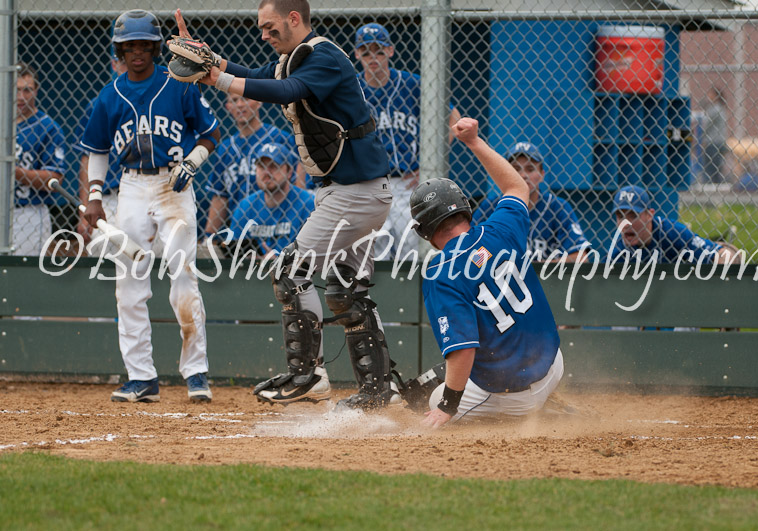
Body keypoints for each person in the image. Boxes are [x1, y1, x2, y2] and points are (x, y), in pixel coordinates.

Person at [172, 1, 396, 409]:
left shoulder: (323, 56)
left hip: (354, 192)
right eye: (261, 28)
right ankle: (378, 390)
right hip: (353, 191)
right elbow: (259, 75)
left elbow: (286, 91)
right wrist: (215, 62)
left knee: (290, 272)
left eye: (270, 26)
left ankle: (308, 374)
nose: (264, 34)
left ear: (295, 19)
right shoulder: (295, 58)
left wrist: (216, 78)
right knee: (347, 293)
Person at [79, 10, 220, 403]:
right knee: (129, 283)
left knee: (183, 277)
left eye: (144, 45)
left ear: (156, 48)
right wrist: (93, 197)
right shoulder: (109, 96)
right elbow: (97, 151)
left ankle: (196, 373)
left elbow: (210, 134)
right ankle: (141, 377)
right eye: (129, 46)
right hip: (132, 187)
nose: (137, 52)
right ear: (119, 51)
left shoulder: (180, 84)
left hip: (173, 183)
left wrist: (191, 163)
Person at [408, 117, 564, 428]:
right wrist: (474, 141)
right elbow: (516, 185)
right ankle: (546, 402)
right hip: (554, 365)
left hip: (513, 394)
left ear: (425, 231)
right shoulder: (499, 228)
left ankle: (533, 413)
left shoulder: (440, 272)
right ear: (464, 208)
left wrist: (447, 406)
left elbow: (463, 349)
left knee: (432, 399)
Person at [353, 22, 461, 261]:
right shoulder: (352, 89)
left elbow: (454, 119)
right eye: (366, 51)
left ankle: (411, 298)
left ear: (390, 51)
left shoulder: (412, 84)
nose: (373, 57)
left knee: (411, 249)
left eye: (379, 50)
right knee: (373, 252)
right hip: (369, 183)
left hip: (408, 183)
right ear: (357, 53)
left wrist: (429, 164)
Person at [472, 141, 591, 262]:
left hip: (545, 280)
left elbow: (581, 258)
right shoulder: (491, 207)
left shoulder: (557, 207)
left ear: (542, 175)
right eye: (516, 169)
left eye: (530, 169)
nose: (523, 175)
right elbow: (471, 256)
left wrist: (531, 268)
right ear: (506, 174)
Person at [203, 93, 295, 240]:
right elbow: (220, 196)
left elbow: (297, 185)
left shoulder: (280, 138)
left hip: (276, 227)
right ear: (228, 107)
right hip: (238, 228)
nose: (240, 104)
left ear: (258, 102)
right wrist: (209, 236)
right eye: (234, 100)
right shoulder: (226, 148)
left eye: (245, 99)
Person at [74, 48, 127, 253]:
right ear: (114, 65)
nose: (127, 65)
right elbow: (86, 161)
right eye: (121, 61)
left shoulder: (155, 101)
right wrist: (85, 210)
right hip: (108, 197)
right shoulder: (99, 104)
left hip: (148, 193)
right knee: (103, 258)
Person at [609, 185, 740, 264]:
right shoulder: (619, 251)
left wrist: (725, 262)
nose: (625, 224)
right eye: (620, 216)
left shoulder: (670, 232)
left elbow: (720, 254)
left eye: (633, 216)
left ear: (649, 215)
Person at [13, 62, 67, 256]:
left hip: (29, 212)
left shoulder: (47, 127)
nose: (21, 97)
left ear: (36, 91)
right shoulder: (3, 124)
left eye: (27, 90)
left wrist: (13, 171)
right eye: (16, 90)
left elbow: (55, 178)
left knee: (24, 276)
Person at [229, 142, 314, 256]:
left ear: (289, 172)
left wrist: (278, 262)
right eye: (261, 166)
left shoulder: (308, 204)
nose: (267, 172)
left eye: (274, 166)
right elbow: (233, 253)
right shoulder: (245, 206)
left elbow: (314, 254)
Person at [702, 87, 729, 184]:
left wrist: (699, 135)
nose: (708, 97)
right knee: (716, 168)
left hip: (713, 142)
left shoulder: (715, 109)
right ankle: (716, 185)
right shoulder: (720, 108)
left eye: (710, 94)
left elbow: (706, 125)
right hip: (719, 141)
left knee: (710, 169)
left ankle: (711, 186)